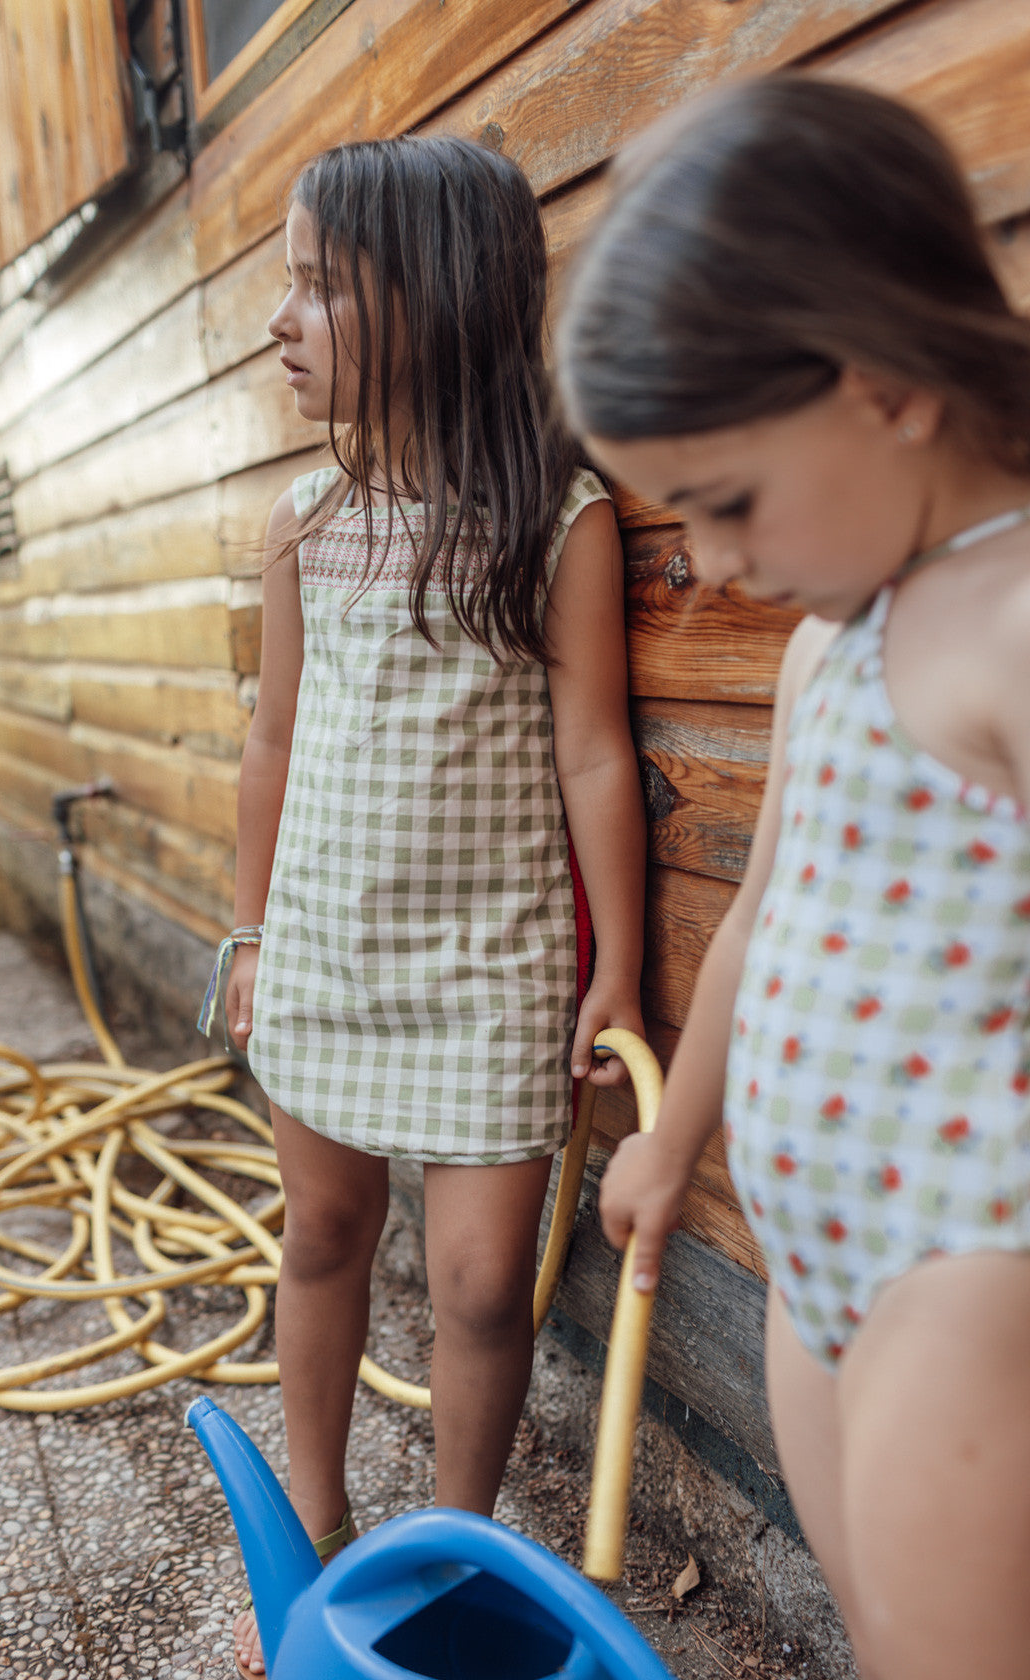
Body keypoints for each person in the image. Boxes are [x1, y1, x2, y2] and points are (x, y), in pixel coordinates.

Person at [558, 73, 1030, 1680]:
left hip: (972, 1269)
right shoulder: (837, 637)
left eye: (729, 498)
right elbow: (768, 908)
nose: (722, 562)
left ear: (886, 380)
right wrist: (673, 1142)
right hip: (813, 1249)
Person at [214, 135, 646, 1678]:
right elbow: (270, 744)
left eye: (319, 287)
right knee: (324, 1229)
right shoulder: (303, 527)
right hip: (329, 949)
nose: (284, 317)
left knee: (476, 1285)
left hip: (489, 970)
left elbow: (596, 753)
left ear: (436, 301)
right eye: (286, 284)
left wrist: (621, 977)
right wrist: (254, 931)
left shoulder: (555, 517)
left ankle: (461, 1550)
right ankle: (319, 1537)